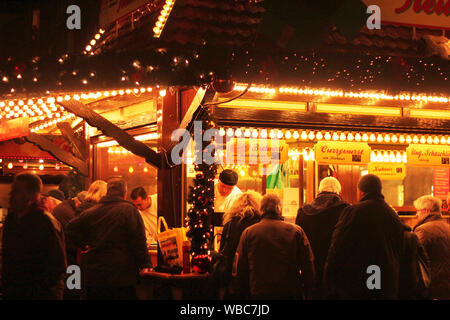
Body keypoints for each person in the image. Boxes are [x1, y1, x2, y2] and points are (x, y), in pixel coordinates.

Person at [324, 174, 409, 299]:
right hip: (386, 281)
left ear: (361, 191)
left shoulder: (353, 211)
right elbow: (400, 249)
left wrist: (329, 277)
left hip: (359, 280)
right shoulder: (392, 215)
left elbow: (338, 245)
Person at [66, 178, 152, 300]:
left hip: (95, 275)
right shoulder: (129, 210)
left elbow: (70, 228)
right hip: (122, 275)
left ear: (107, 192)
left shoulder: (92, 211)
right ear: (124, 194)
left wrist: (84, 244)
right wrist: (145, 263)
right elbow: (138, 239)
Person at [231, 193, 315, 300]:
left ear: (261, 210)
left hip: (259, 292)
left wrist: (244, 292)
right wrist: (308, 292)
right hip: (290, 292)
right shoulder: (296, 232)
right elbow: (308, 264)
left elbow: (239, 268)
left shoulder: (249, 233)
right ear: (280, 209)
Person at [2, 173, 67, 299]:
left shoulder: (46, 222)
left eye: (16, 191)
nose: (11, 195)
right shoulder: (12, 220)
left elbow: (57, 267)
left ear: (32, 196)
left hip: (38, 293)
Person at [295, 176, 349, 299]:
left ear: (319, 190)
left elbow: (298, 241)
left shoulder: (303, 211)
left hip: (310, 267)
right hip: (336, 269)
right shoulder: (345, 210)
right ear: (338, 191)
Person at [216, 190, 262, 299]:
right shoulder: (260, 224)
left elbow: (225, 253)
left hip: (235, 280)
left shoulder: (230, 224)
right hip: (256, 278)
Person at [413, 195, 450, 299]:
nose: (416, 214)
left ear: (426, 211)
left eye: (418, 211)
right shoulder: (446, 226)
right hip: (445, 284)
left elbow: (415, 256)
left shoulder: (423, 230)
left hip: (432, 285)